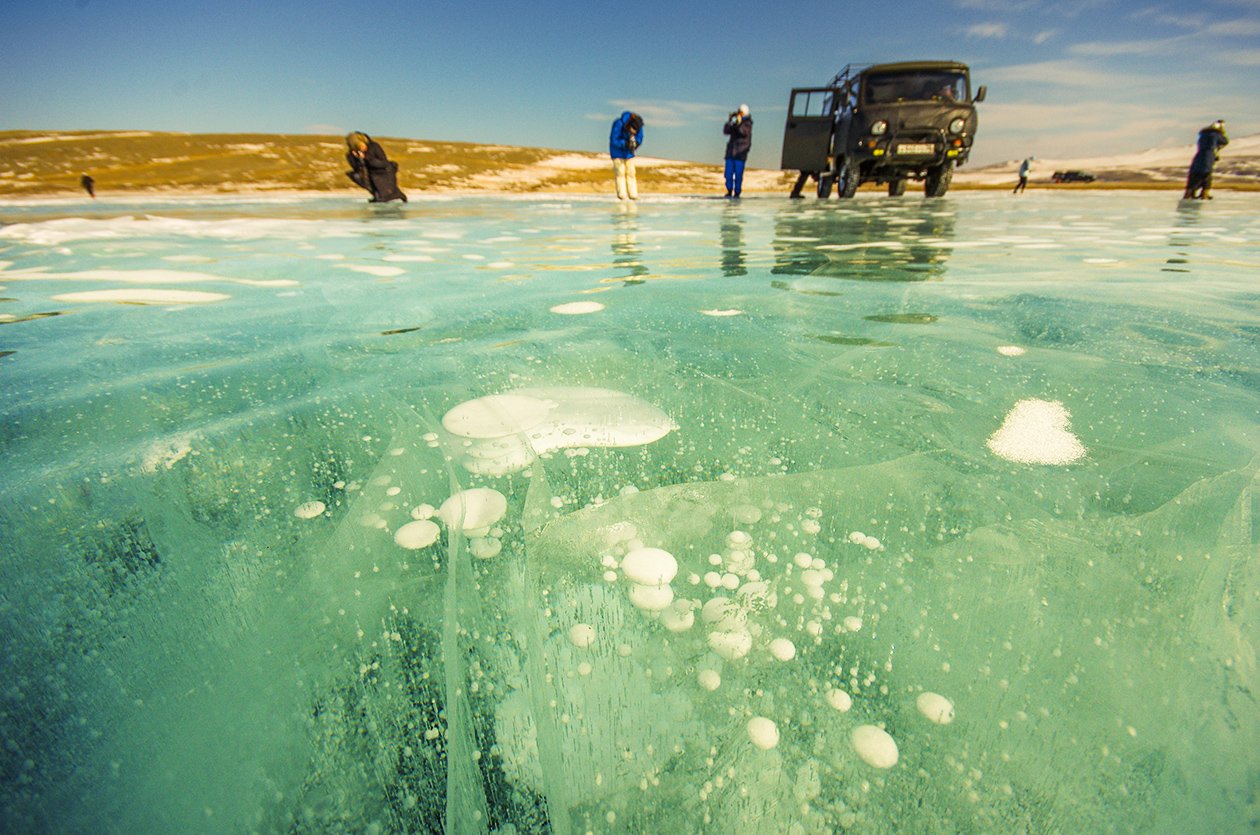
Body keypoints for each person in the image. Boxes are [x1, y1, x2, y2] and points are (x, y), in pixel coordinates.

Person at [345, 132, 407, 203]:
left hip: (382, 171)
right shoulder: (350, 155)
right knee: (356, 175)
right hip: (370, 175)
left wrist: (366, 158)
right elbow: (356, 168)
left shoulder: (374, 146)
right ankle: (377, 194)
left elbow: (383, 163)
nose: (362, 147)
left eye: (362, 144)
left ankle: (391, 194)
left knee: (381, 176)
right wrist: (358, 159)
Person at [1183, 120, 1228, 200]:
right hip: (1208, 158)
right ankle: (1204, 194)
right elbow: (1225, 141)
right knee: (1206, 177)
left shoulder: (1202, 135)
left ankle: (1189, 193)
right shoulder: (1215, 134)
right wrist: (1222, 132)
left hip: (1198, 158)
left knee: (1194, 177)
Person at [609, 111, 643, 200]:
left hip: (629, 153)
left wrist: (636, 143)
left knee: (631, 172)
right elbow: (614, 140)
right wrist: (624, 144)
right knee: (620, 172)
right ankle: (622, 195)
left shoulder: (638, 125)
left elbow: (640, 137)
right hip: (617, 153)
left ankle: (633, 195)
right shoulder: (618, 124)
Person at [723, 104, 753, 198]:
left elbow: (743, 132)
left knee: (738, 175)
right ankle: (729, 190)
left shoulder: (748, 124)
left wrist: (739, 123)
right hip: (731, 152)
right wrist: (730, 121)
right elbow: (726, 131)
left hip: (740, 153)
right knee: (728, 173)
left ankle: (737, 192)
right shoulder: (735, 122)